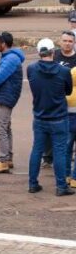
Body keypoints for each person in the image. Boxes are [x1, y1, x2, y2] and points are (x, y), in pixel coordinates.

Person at [27, 38, 74, 196]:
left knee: (37, 150)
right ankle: (61, 186)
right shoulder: (64, 71)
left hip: (40, 116)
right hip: (59, 117)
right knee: (60, 151)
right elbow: (68, 91)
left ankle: (32, 183)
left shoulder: (31, 69)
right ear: (53, 51)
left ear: (39, 52)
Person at [0, 31, 25, 174]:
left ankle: (3, 160)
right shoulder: (9, 57)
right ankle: (8, 158)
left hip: (5, 97)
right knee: (6, 128)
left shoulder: (10, 59)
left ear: (3, 44)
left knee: (0, 129)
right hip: (6, 96)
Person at [44, 31, 76, 167]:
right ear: (60, 42)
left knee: (68, 132)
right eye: (65, 41)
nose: (67, 43)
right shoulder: (53, 55)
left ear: (74, 43)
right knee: (48, 128)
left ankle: (65, 159)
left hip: (70, 102)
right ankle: (48, 157)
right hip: (52, 99)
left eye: (70, 41)